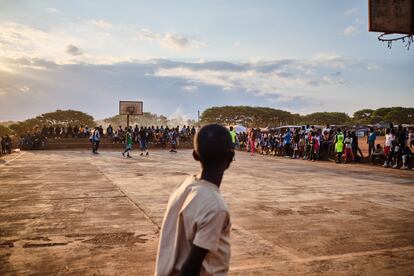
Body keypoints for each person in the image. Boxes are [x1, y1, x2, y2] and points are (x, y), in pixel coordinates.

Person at [155, 124, 233, 276]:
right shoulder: (215, 207)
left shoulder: (185, 187)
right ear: (230, 157)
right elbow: (190, 269)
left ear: (195, 155)